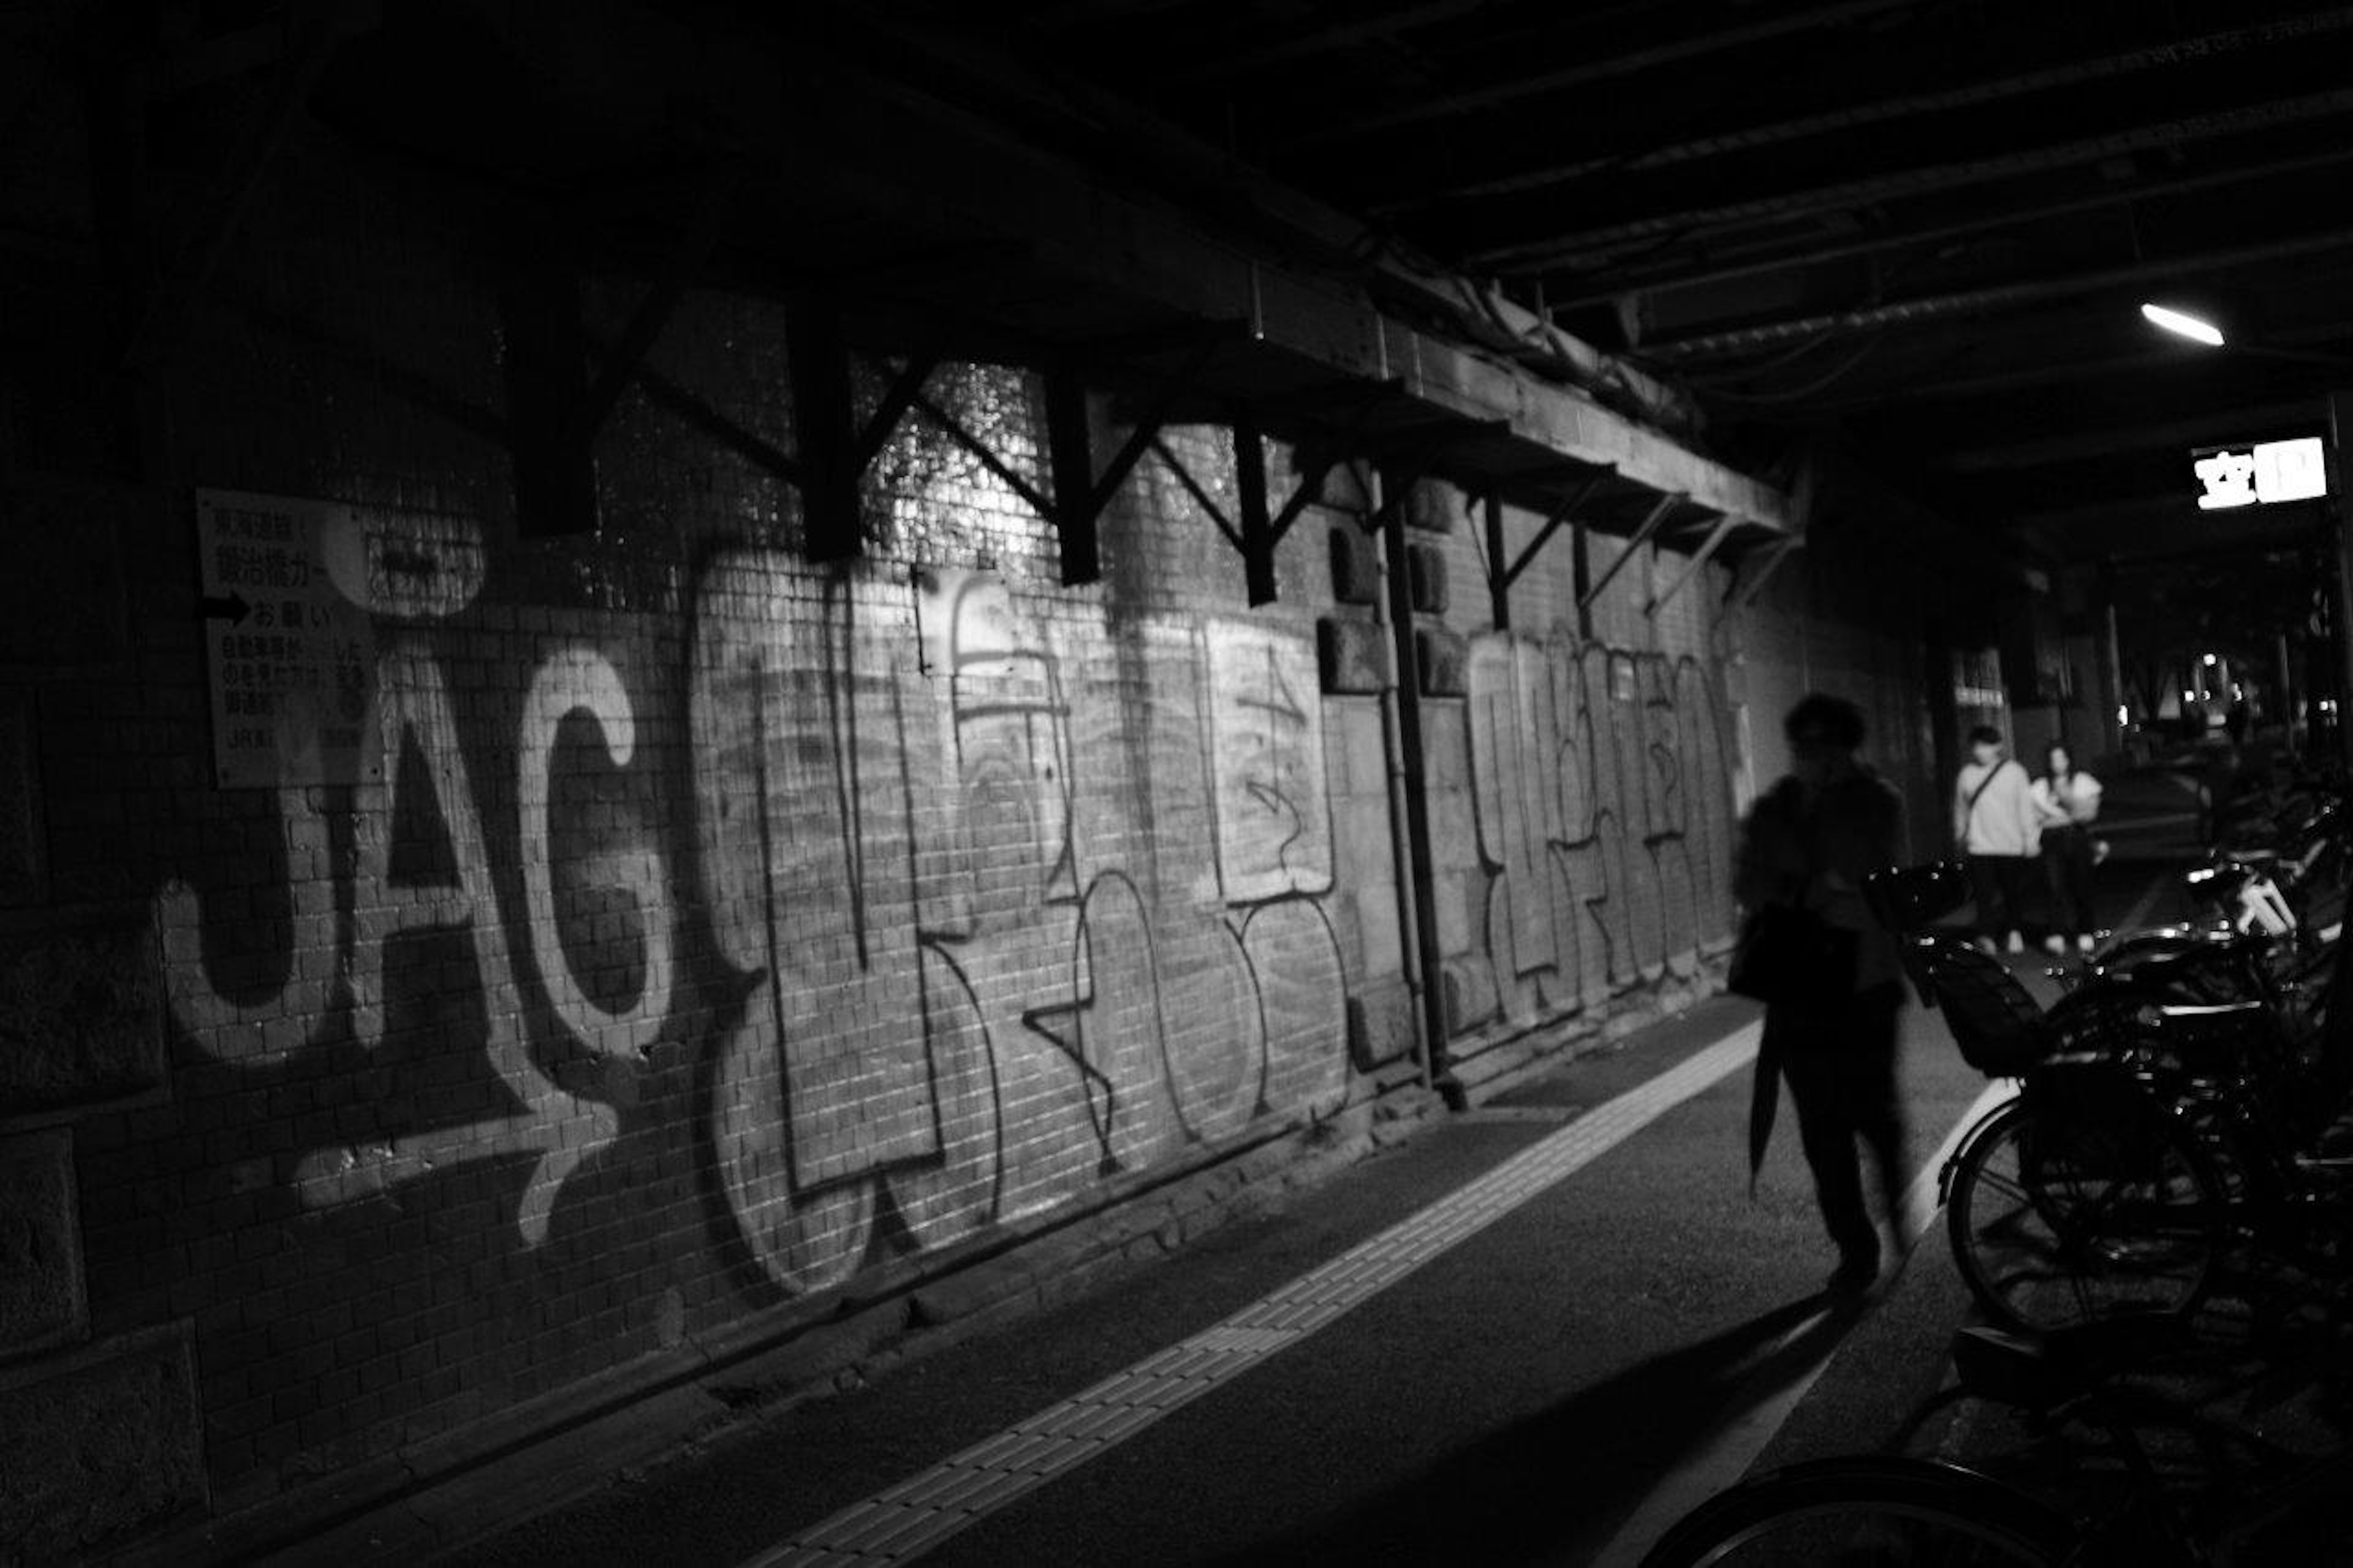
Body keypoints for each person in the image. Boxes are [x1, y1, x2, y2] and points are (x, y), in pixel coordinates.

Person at [1734, 694, 1910, 1296]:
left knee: (1875, 1115)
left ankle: (1898, 1220)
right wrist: (1814, 888)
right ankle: (1855, 1249)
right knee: (1820, 1127)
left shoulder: (1876, 803)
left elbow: (1872, 886)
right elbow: (1749, 884)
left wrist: (1812, 887)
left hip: (1865, 985)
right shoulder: (1775, 808)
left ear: (1846, 750)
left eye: (1824, 751)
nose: (1812, 762)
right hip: (1798, 991)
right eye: (1803, 751)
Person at [1952, 724, 2040, 957]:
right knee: (1984, 895)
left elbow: (2026, 809)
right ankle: (1987, 936)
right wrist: (1960, 835)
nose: (1979, 751)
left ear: (1998, 747)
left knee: (2012, 893)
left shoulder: (2015, 772)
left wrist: (2030, 839)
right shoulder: (1966, 775)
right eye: (1976, 747)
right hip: (1980, 846)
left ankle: (2014, 931)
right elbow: (1960, 809)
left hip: (2011, 845)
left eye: (1985, 746)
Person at [2031, 740, 2103, 955]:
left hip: (2077, 839)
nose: (2057, 764)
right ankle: (2055, 933)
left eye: (2061, 758)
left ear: (2069, 760)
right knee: (2054, 887)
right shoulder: (2039, 787)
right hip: (2051, 840)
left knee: (2081, 885)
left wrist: (2065, 799)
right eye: (2053, 759)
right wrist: (2065, 817)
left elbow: (2088, 814)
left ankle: (2085, 931)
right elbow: (2034, 818)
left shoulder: (2083, 781)